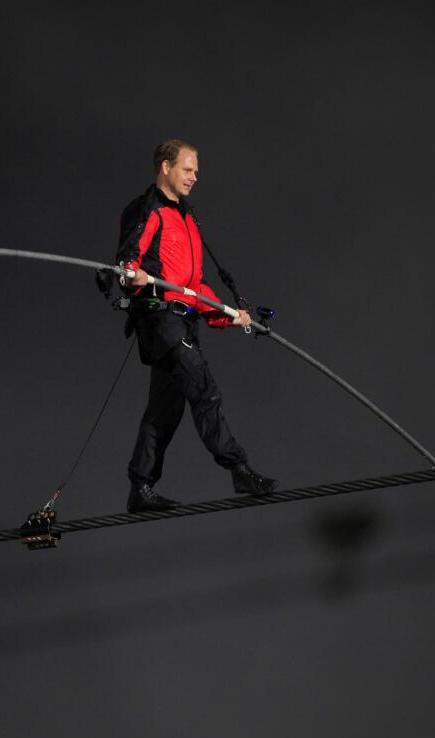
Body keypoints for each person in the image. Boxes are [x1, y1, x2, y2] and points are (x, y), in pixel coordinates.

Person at [113, 139, 277, 513]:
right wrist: (131, 276)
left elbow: (194, 286)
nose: (194, 177)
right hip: (160, 319)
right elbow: (126, 263)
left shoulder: (187, 217)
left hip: (183, 322)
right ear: (165, 168)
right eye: (188, 169)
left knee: (164, 411)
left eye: (196, 171)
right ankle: (238, 468)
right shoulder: (148, 210)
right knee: (203, 388)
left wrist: (232, 316)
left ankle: (141, 488)